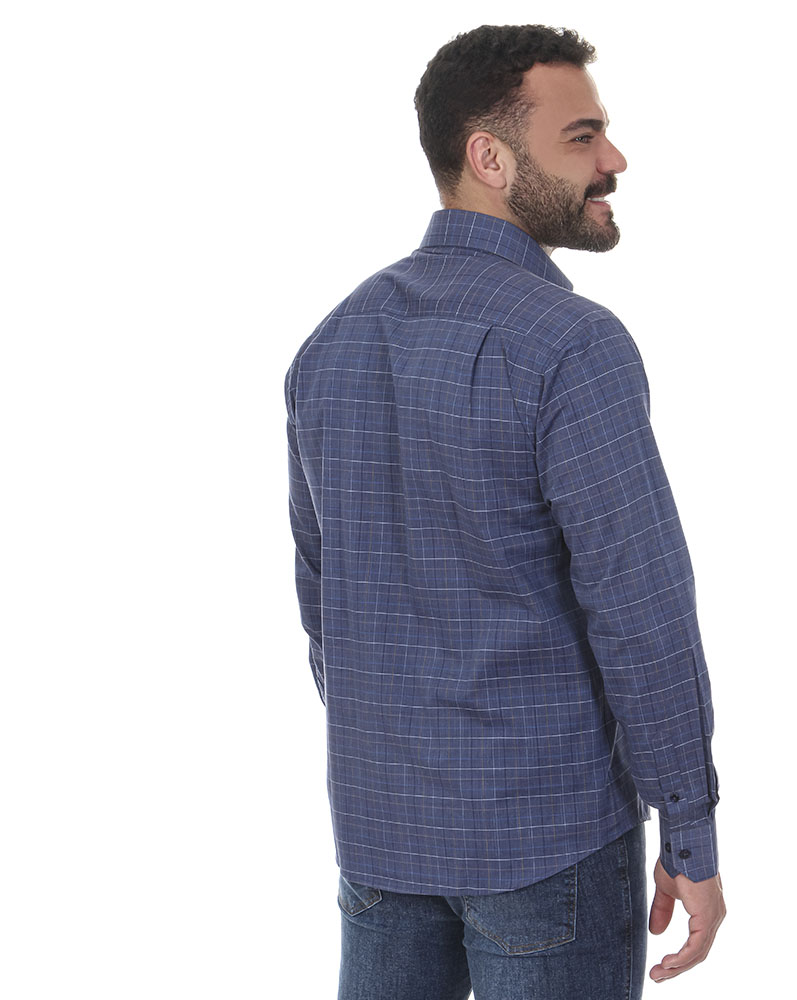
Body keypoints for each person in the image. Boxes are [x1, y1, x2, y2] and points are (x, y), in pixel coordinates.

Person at [284, 23, 726, 999]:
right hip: (548, 840)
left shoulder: (332, 343)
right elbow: (641, 609)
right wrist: (689, 829)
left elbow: (326, 612)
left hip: (380, 836)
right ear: (488, 157)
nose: (613, 159)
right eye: (582, 137)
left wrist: (406, 757)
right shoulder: (572, 347)